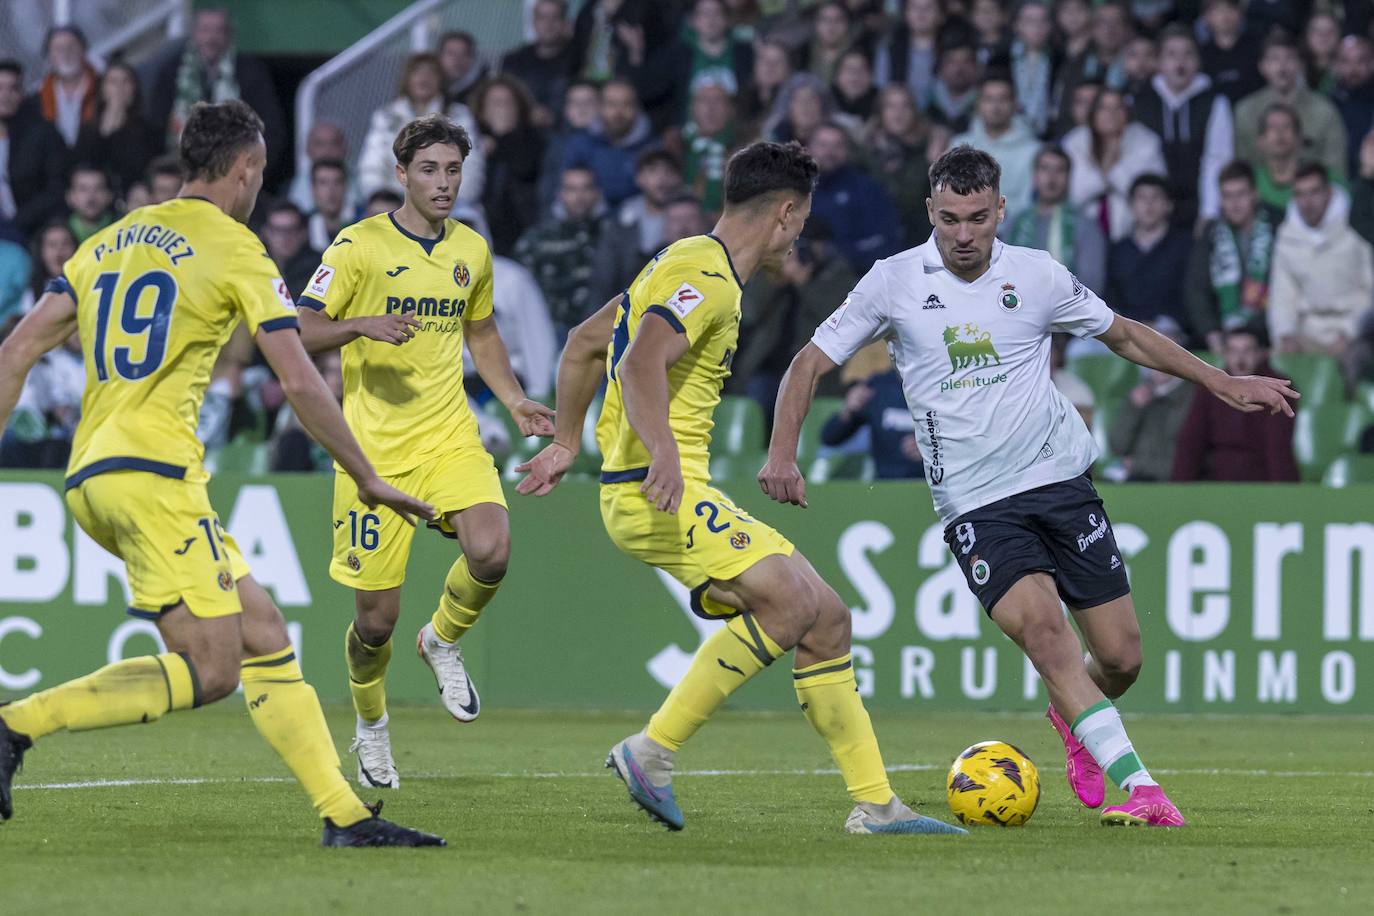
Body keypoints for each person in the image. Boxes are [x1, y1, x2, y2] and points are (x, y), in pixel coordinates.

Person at [763, 145, 1296, 827]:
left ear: (1000, 210)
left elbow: (1126, 337)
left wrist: (1223, 381)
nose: (962, 234)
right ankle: (1144, 789)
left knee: (1122, 658)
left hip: (1060, 481)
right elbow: (808, 364)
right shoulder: (892, 282)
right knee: (1048, 638)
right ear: (930, 210)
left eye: (977, 218)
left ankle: (1076, 722)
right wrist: (784, 451)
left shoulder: (1037, 275)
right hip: (976, 504)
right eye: (949, 218)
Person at [0, 99, 441, 847]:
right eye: (260, 176)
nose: (258, 190)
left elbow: (14, 353)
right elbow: (301, 382)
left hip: (92, 474)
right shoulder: (236, 248)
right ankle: (14, 726)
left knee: (264, 631)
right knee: (212, 669)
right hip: (154, 474)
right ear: (242, 170)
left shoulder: (104, 243)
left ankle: (342, 815)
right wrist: (366, 474)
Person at [516, 140, 966, 837]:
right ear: (785, 214)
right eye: (804, 219)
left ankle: (876, 805)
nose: (802, 235)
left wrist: (568, 442)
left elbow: (583, 340)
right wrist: (661, 451)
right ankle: (651, 752)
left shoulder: (678, 261)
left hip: (652, 482)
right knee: (788, 602)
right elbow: (637, 365)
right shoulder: (710, 277)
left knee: (827, 618)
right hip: (655, 486)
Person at [295, 114, 554, 790]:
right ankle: (371, 724)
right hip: (371, 456)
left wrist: (515, 399)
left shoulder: (472, 248)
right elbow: (299, 326)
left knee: (492, 548)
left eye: (453, 169)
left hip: (448, 436)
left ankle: (442, 638)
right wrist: (359, 325)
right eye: (430, 170)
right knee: (374, 625)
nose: (443, 182)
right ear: (401, 173)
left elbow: (484, 330)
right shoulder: (359, 246)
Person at [146, 8, 286, 181]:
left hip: (236, 176)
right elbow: (154, 125)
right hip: (178, 174)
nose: (211, 38)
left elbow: (271, 127)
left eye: (219, 30)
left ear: (229, 35)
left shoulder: (251, 71)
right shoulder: (172, 71)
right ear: (194, 33)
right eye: (205, 30)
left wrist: (251, 172)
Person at [1268, 161, 1374, 360]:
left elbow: (1370, 289)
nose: (1307, 202)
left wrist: (1349, 333)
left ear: (1329, 192)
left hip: (1355, 328)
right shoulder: (1286, 236)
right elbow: (1282, 294)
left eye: (1314, 192)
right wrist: (1285, 333)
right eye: (1300, 194)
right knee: (1278, 361)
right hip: (1307, 332)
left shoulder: (1356, 229)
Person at [1131, 25, 1233, 228]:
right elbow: (1138, 161)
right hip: (1153, 211)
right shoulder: (1141, 102)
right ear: (1158, 62)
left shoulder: (1214, 102)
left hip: (1200, 205)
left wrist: (1209, 213)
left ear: (1198, 61)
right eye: (1171, 54)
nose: (1180, 62)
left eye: (1188, 54)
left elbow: (1217, 160)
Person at [1171, 324, 1298, 481]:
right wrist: (1179, 489)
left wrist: (1283, 495)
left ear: (1260, 353)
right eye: (1233, 351)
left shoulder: (1277, 389)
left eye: (1247, 350)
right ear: (1226, 354)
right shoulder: (1210, 388)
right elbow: (1191, 441)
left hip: (1261, 482)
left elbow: (1278, 448)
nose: (1240, 358)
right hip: (1217, 481)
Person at [357, 53, 485, 208]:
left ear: (441, 80)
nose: (424, 78)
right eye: (417, 72)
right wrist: (380, 197)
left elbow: (472, 166)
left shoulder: (459, 116)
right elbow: (372, 164)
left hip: (449, 203)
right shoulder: (385, 117)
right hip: (395, 204)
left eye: (431, 72)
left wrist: (448, 199)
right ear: (407, 79)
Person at [1187, 160, 1282, 352]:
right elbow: (1196, 288)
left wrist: (1256, 332)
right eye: (1227, 196)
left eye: (1241, 194)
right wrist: (1210, 332)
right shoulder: (1211, 233)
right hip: (1223, 336)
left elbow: (1285, 286)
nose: (1234, 204)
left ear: (1255, 194)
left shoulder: (1278, 224)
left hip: (1270, 333)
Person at [1233, 30, 1346, 181]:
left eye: (1289, 58)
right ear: (1262, 66)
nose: (1282, 66)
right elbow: (1242, 168)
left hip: (1314, 197)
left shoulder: (1325, 110)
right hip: (1259, 198)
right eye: (1274, 59)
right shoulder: (1244, 111)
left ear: (1300, 65)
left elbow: (1336, 169)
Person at [516, 166, 609, 341]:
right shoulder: (537, 239)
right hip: (550, 329)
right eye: (572, 189)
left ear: (597, 193)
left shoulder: (613, 234)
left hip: (605, 327)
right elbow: (522, 289)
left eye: (586, 188)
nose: (579, 197)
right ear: (560, 194)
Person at [1063, 86, 1166, 240]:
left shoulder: (1146, 141)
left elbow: (1151, 191)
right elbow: (1075, 194)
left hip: (1133, 233)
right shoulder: (1075, 142)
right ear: (1094, 112)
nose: (1111, 115)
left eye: (1118, 108)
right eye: (1104, 108)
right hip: (1082, 231)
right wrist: (1109, 177)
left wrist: (1108, 174)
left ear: (1127, 112)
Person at [1004, 146, 1107, 295]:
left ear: (1069, 177)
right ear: (1034, 175)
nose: (1052, 178)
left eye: (1059, 170)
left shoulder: (1086, 226)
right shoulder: (1016, 224)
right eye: (1045, 169)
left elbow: (1092, 283)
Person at [1104, 175, 1196, 340]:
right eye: (1142, 198)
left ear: (1169, 205)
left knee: (1154, 345)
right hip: (1125, 324)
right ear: (1131, 207)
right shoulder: (1119, 249)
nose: (1148, 204)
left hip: (1171, 326)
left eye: (1155, 197)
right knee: (1080, 349)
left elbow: (1191, 294)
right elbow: (1111, 295)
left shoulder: (1185, 245)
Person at [808, 122, 902, 273]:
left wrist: (835, 252)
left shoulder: (866, 188)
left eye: (837, 146)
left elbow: (884, 242)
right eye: (823, 145)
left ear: (847, 151)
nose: (829, 152)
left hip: (854, 277)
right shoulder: (796, 190)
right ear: (809, 149)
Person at [950, 73, 1039, 223]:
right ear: (978, 104)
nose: (996, 107)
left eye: (1003, 99)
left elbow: (1026, 205)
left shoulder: (1033, 151)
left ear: (1015, 103)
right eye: (989, 99)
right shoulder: (959, 146)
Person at [473, 76, 545, 255]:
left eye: (507, 103)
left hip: (521, 226)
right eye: (495, 103)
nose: (502, 109)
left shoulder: (534, 139)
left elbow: (525, 167)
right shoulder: (472, 141)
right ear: (482, 110)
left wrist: (501, 138)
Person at [559, 79, 657, 207]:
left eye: (626, 104)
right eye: (611, 104)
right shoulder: (580, 145)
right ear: (600, 107)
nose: (618, 112)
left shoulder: (653, 149)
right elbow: (566, 192)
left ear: (637, 109)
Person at [72, 62, 163, 200]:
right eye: (113, 82)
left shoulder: (149, 129)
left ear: (134, 88)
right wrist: (106, 130)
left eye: (126, 81)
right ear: (103, 89)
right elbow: (84, 166)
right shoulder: (87, 131)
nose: (119, 88)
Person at [0, 60, 67, 237]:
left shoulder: (43, 133)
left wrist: (16, 223)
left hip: (38, 231)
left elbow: (56, 189)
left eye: (13, 88)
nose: (5, 96)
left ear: (22, 93)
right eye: (0, 88)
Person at [820, 365, 923, 479]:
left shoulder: (940, 386)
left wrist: (932, 448)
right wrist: (848, 411)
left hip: (933, 483)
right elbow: (829, 438)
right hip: (886, 484)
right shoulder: (877, 386)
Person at [863, 84, 933, 247]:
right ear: (880, 113)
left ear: (915, 112)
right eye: (891, 106)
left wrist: (929, 163)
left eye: (905, 106)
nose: (898, 113)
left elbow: (910, 200)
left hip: (917, 241)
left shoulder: (929, 151)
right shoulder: (865, 153)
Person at [501, 0, 577, 128]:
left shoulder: (578, 58)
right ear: (533, 22)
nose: (548, 24)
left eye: (555, 18)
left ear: (565, 22)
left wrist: (554, 117)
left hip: (565, 131)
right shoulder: (514, 60)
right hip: (520, 128)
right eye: (542, 18)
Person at [29, 25, 99, 149]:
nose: (66, 53)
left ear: (83, 50)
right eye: (58, 49)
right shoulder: (36, 102)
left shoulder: (104, 90)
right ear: (49, 56)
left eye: (72, 46)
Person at [286, 121, 362, 216]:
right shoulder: (288, 188)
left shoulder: (363, 183)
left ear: (345, 148)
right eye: (320, 144)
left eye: (334, 143)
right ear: (308, 149)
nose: (327, 150)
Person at [682, 82, 736, 214]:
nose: (710, 108)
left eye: (718, 101)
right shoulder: (677, 145)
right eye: (704, 101)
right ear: (693, 108)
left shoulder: (743, 147)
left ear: (730, 109)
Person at [1007, 0, 1057, 137]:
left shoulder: (1060, 60)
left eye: (1043, 21)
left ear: (1050, 26)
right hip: (1009, 134)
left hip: (1047, 136)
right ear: (1017, 25)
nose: (1037, 27)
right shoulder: (1001, 60)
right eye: (1030, 21)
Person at [1199, 0, 1263, 104]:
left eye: (1231, 7)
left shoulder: (1258, 48)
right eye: (1217, 9)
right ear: (1206, 16)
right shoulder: (1200, 54)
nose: (1225, 14)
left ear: (1240, 12)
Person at [1331, 35, 1374, 178]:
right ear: (1336, 64)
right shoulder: (1328, 102)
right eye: (1345, 61)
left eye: (1360, 61)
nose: (1353, 68)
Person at [261, 201, 319, 296]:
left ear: (303, 233)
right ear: (266, 233)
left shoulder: (318, 268)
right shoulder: (256, 266)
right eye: (278, 230)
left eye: (291, 230)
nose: (285, 237)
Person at [306, 158, 351, 253]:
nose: (331, 190)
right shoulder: (301, 230)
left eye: (337, 182)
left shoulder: (363, 223)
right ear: (313, 189)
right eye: (323, 183)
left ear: (346, 187)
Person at [65, 164, 115, 243]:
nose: (91, 197)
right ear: (70, 196)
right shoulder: (59, 233)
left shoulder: (123, 228)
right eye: (83, 189)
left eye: (98, 189)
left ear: (109, 195)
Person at [437, 31, 487, 105]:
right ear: (439, 57)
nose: (457, 59)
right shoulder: (427, 87)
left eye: (464, 54)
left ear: (472, 59)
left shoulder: (483, 92)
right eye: (451, 53)